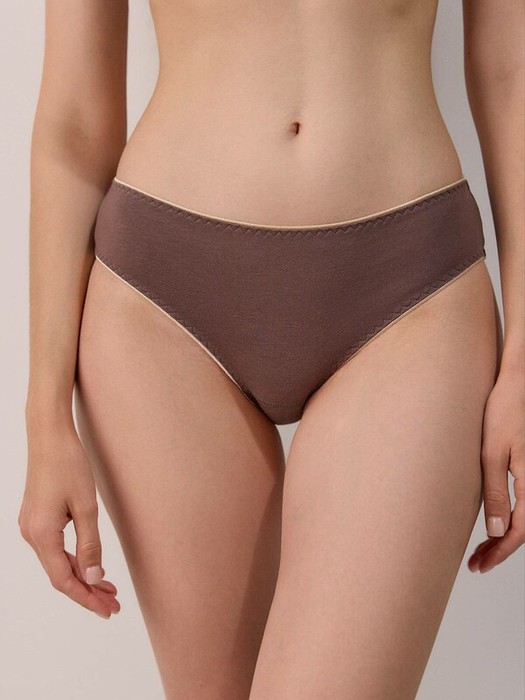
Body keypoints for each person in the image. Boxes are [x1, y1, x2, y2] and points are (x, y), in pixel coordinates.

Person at [19, 1, 524, 698]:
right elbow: (75, 124)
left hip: (410, 293)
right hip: (161, 310)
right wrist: (44, 418)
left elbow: (511, 75)